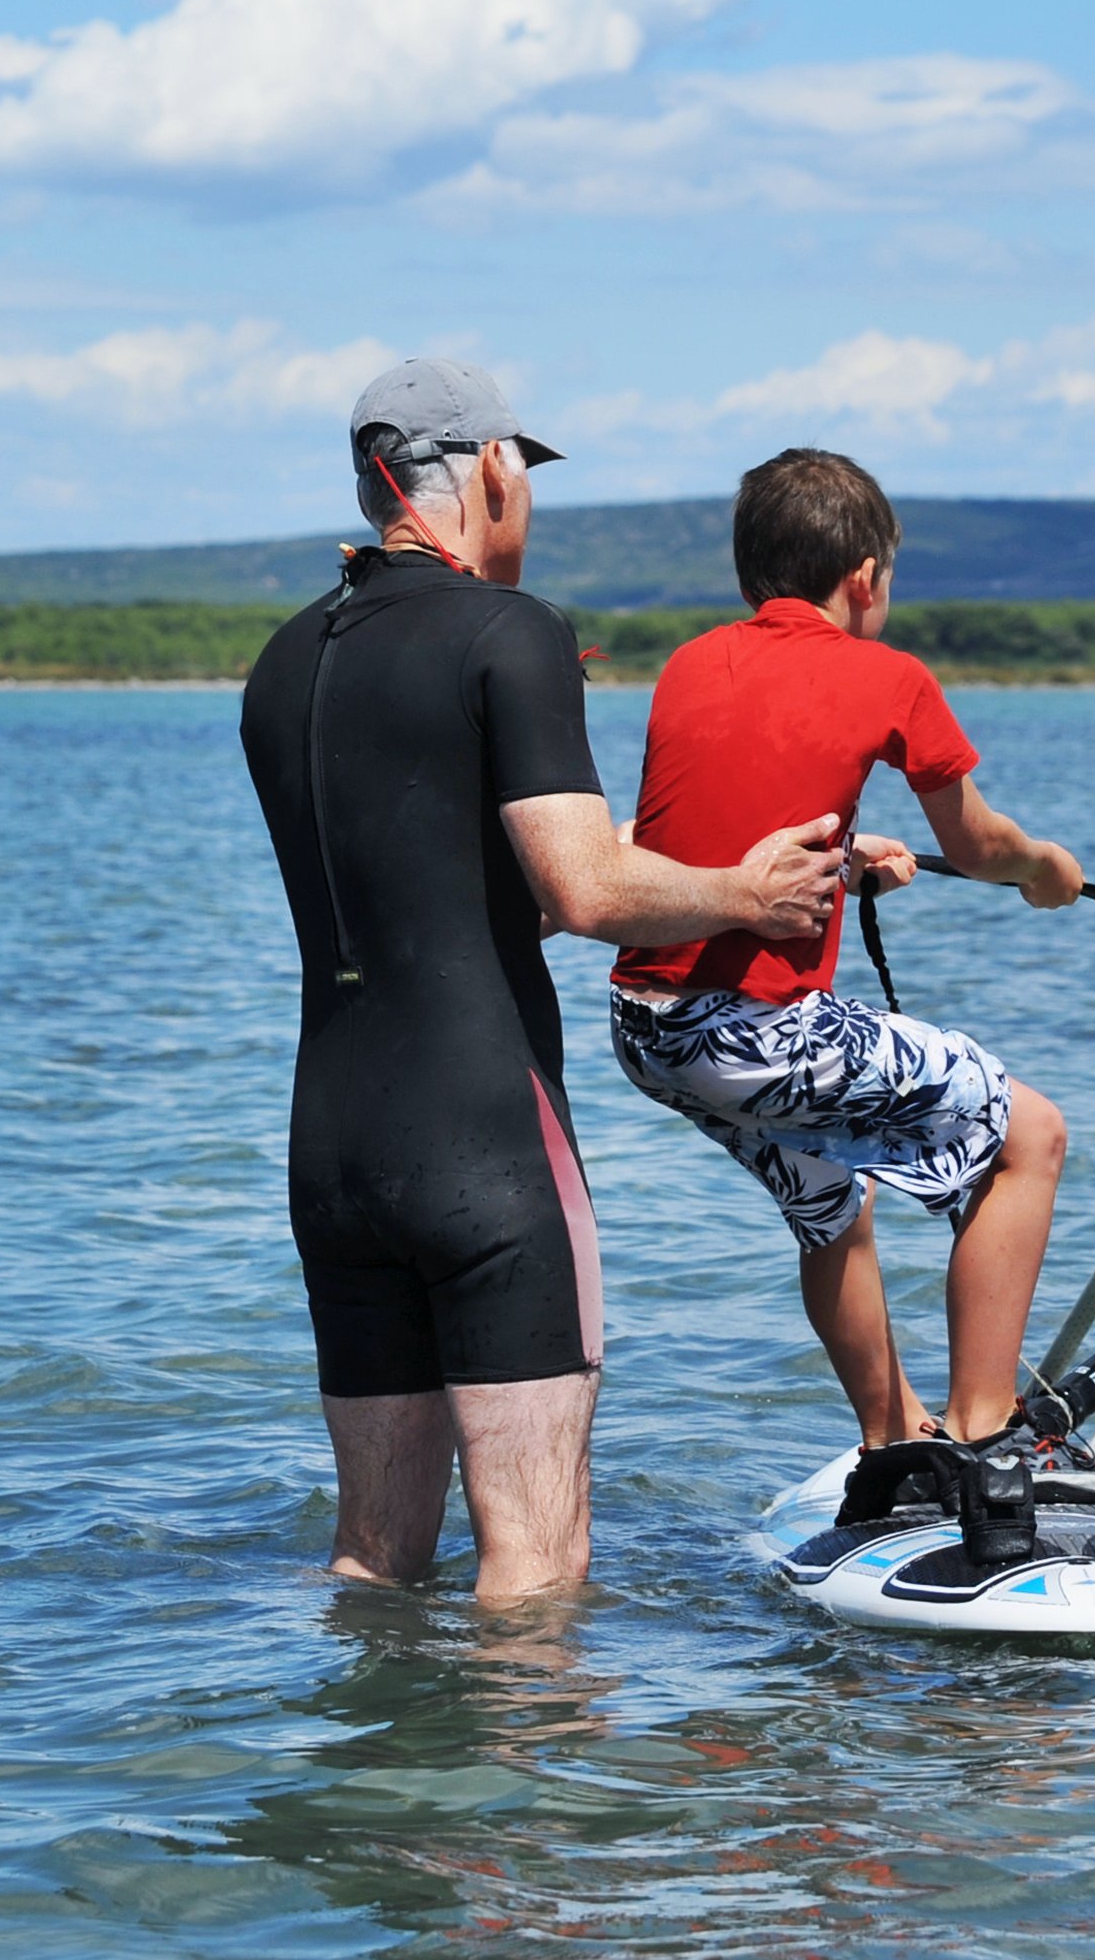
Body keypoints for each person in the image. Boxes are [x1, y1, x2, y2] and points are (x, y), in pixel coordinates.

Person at [240, 358, 844, 1602]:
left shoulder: (284, 659)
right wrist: (749, 894)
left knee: (371, 1558)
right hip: (485, 1146)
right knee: (536, 1561)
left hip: (335, 1154)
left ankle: (372, 1738)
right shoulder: (512, 632)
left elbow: (442, 887)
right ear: (493, 471)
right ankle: (524, 1744)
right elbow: (584, 891)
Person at [606, 448, 1085, 1454]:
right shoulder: (890, 675)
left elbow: (707, 828)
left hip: (649, 1029)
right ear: (865, 577)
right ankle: (987, 1426)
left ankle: (895, 1439)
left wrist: (845, 857)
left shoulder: (691, 663)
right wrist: (1045, 868)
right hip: (754, 1034)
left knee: (831, 1198)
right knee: (1028, 1138)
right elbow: (977, 844)